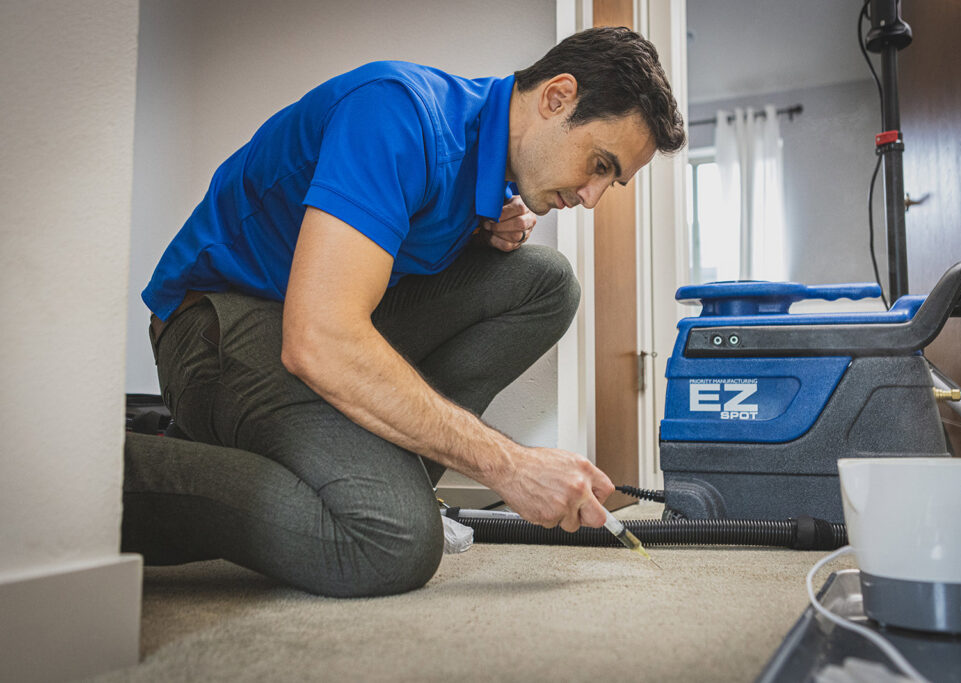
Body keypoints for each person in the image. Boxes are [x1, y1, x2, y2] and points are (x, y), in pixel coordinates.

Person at [123, 26, 686, 598]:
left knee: (546, 282)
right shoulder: (396, 113)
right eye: (599, 164)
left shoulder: (486, 180)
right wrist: (511, 466)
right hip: (215, 326)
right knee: (392, 543)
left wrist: (476, 235)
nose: (592, 197)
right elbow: (319, 337)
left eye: (611, 182)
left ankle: (373, 482)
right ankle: (118, 470)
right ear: (557, 97)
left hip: (294, 326)